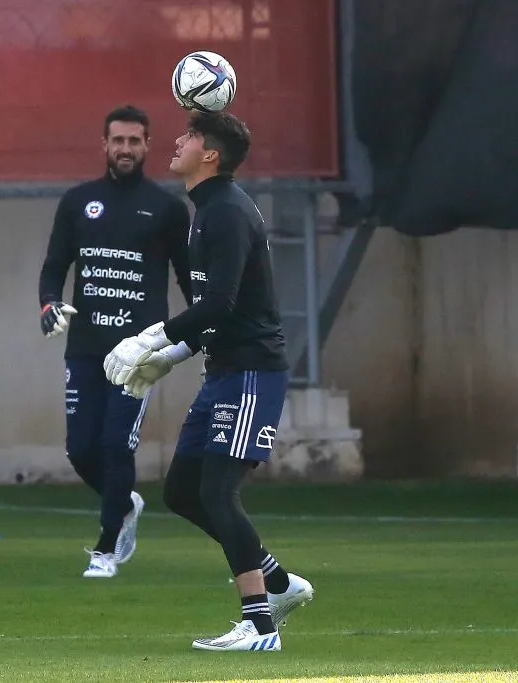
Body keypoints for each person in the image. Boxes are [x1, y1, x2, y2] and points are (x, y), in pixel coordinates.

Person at [102, 111, 314, 652]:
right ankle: (279, 583)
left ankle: (260, 626)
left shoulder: (225, 212)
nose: (177, 142)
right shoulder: (205, 211)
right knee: (182, 493)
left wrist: (150, 339)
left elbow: (218, 304)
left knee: (219, 491)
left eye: (190, 136)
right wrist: (170, 355)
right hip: (223, 370)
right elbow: (215, 310)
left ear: (211, 154)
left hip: (251, 372)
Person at [38, 105, 192, 579]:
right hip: (84, 348)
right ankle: (124, 503)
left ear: (147, 146)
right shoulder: (78, 201)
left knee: (114, 445)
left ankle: (105, 550)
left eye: (134, 141)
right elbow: (54, 268)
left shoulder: (167, 208)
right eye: (117, 141)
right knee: (80, 450)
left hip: (138, 355)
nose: (125, 149)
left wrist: (203, 331)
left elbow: (191, 279)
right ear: (103, 145)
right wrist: (48, 304)